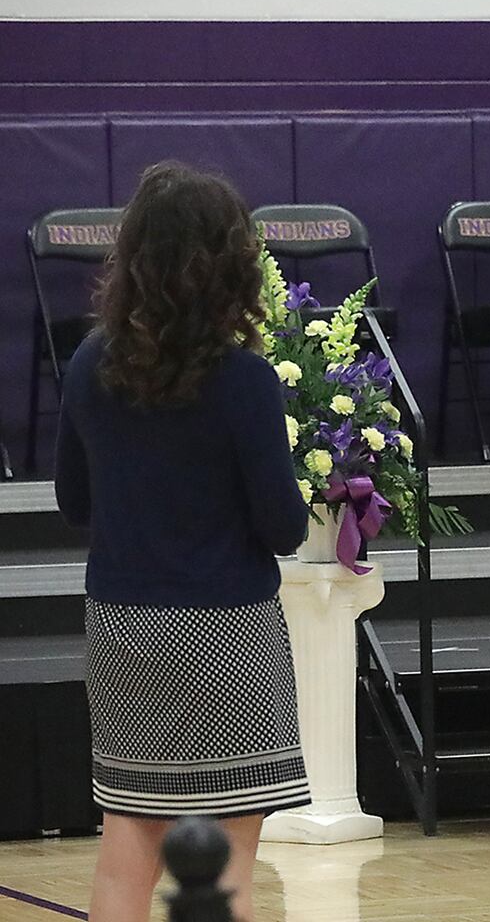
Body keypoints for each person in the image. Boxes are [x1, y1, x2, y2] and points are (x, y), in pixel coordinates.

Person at [55, 161, 310, 921]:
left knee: (125, 846)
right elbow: (284, 528)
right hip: (227, 633)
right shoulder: (246, 380)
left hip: (125, 628)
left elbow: (74, 506)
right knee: (227, 865)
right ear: (232, 261)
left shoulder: (86, 364)